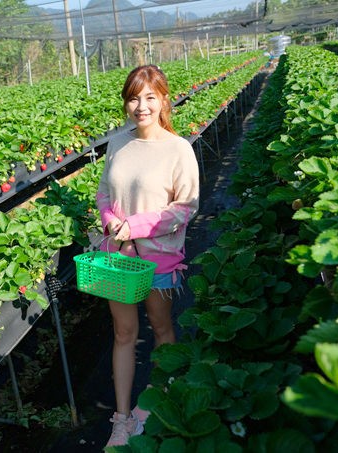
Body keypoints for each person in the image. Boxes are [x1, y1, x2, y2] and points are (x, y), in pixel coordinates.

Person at [96, 65, 200, 447]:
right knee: (123, 334)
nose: (141, 106)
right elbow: (104, 193)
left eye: (150, 97)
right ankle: (121, 418)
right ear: (126, 103)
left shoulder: (178, 150)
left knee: (161, 328)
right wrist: (110, 220)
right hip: (119, 257)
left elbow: (185, 207)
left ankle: (157, 401)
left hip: (159, 259)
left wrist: (135, 226)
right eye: (134, 98)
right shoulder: (117, 144)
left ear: (163, 100)